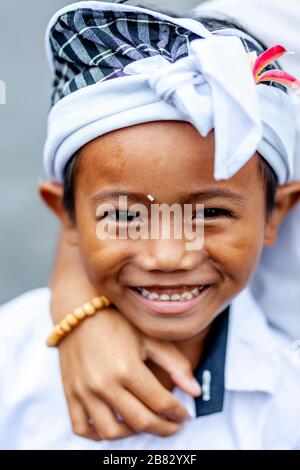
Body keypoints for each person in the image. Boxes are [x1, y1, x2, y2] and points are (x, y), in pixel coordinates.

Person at [1, 1, 300, 449]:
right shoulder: (9, 360)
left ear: (277, 212)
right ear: (64, 214)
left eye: (210, 213)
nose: (167, 257)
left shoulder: (287, 400)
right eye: (124, 216)